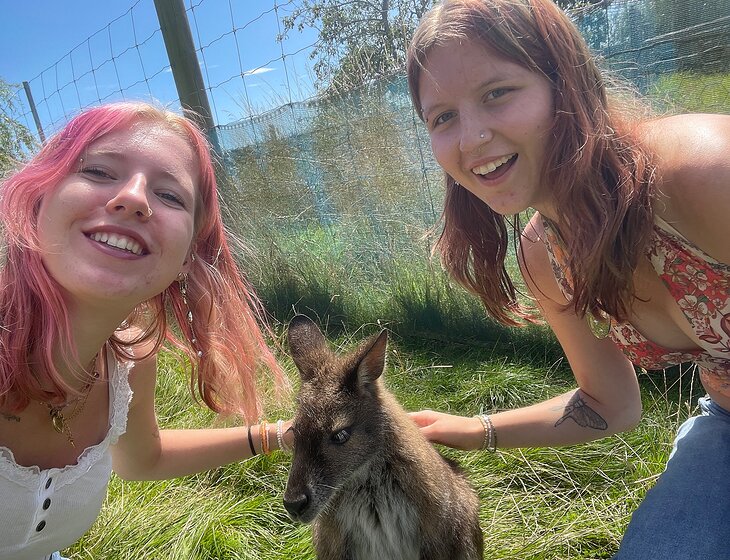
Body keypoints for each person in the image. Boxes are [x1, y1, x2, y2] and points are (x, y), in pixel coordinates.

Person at [405, 0, 730, 558]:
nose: (471, 138)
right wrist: (473, 430)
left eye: (497, 93)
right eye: (442, 118)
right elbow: (609, 404)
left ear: (565, 81)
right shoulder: (544, 257)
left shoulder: (702, 175)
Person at [0, 101, 293, 560]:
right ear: (39, 201)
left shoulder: (130, 359)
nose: (134, 198)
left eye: (170, 196)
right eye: (98, 171)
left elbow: (144, 459)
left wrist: (282, 434)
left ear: (186, 258)